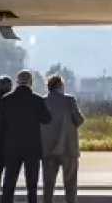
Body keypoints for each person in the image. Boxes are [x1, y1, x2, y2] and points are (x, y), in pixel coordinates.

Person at [0, 69, 52, 203]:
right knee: (32, 185)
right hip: (32, 147)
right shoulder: (37, 100)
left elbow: (1, 124)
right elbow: (47, 119)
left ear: (17, 82)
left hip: (12, 146)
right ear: (31, 82)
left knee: (9, 182)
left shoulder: (6, 100)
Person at [41, 74, 85, 203]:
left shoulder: (42, 101)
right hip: (68, 147)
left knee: (48, 186)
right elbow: (79, 119)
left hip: (48, 149)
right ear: (60, 86)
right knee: (70, 184)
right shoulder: (69, 100)